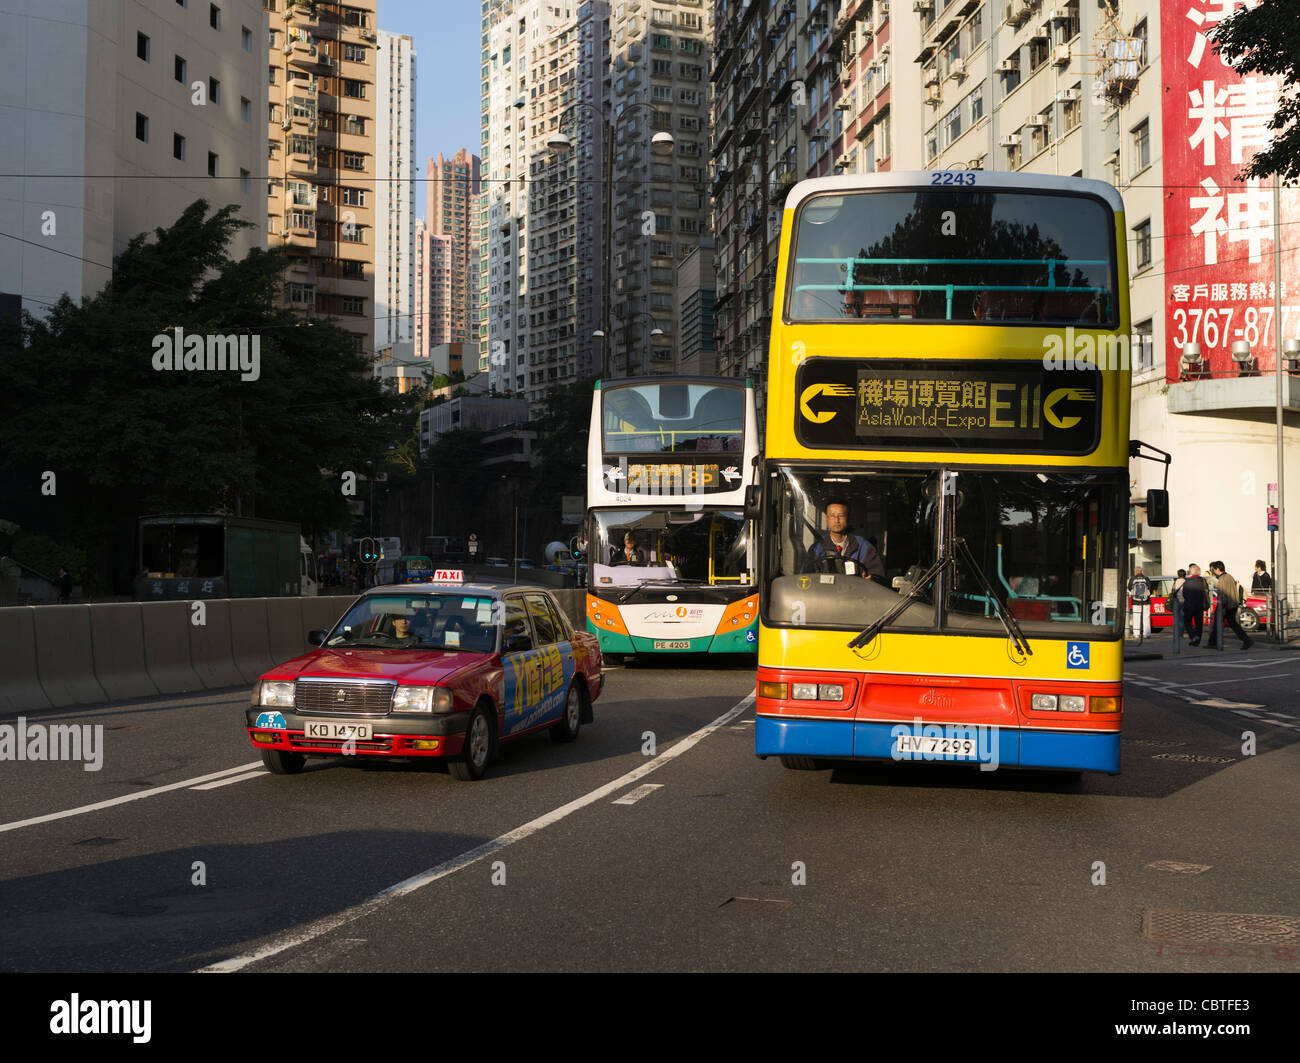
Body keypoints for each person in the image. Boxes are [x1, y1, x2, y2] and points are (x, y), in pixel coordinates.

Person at [805, 500, 884, 579]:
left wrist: (872, 577)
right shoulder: (816, 549)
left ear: (848, 518)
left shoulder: (864, 547)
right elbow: (808, 579)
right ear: (827, 519)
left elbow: (877, 576)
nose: (837, 520)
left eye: (841, 516)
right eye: (832, 516)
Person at [1208, 561, 1254, 650]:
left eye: (1214, 570)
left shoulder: (1222, 579)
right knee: (1232, 624)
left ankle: (1212, 643)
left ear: (1217, 569)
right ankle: (1247, 640)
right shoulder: (1229, 576)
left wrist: (1222, 606)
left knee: (1217, 623)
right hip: (1233, 604)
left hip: (1225, 605)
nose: (1213, 572)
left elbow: (1222, 594)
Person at [1181, 564, 1209, 647]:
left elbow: (1184, 594)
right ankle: (1197, 640)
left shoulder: (1187, 581)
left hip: (1189, 605)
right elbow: (1206, 591)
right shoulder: (1203, 581)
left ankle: (1193, 637)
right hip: (1199, 605)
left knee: (1187, 621)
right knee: (1199, 623)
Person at [1128, 567, 1152, 638]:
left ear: (1135, 572)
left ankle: (1136, 634)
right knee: (1146, 617)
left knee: (1136, 617)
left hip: (1135, 601)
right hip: (1146, 601)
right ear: (1141, 571)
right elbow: (1150, 587)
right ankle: (1147, 634)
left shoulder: (1133, 579)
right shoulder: (1146, 578)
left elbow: (1129, 588)